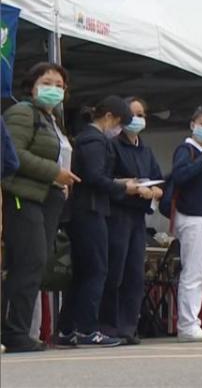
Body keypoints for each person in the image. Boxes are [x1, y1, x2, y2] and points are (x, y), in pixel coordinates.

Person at [1, 63, 78, 353]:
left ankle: (22, 329)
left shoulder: (52, 120)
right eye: (47, 82)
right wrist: (53, 173)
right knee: (28, 262)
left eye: (60, 85)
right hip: (24, 195)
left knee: (35, 264)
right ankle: (15, 331)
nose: (54, 89)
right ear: (31, 86)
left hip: (48, 199)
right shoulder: (23, 113)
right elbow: (12, 154)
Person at [57, 96, 135, 348]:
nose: (119, 130)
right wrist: (123, 187)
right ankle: (87, 328)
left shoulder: (89, 138)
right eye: (121, 123)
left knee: (82, 272)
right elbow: (94, 177)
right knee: (96, 270)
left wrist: (120, 184)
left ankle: (68, 328)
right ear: (110, 117)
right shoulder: (94, 139)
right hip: (89, 210)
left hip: (85, 210)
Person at [101, 97, 164, 345]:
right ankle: (108, 325)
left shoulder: (145, 149)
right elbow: (106, 179)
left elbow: (158, 179)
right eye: (132, 114)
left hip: (139, 215)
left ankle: (128, 326)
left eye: (141, 114)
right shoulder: (111, 145)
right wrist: (132, 187)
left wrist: (156, 191)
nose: (137, 119)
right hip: (117, 213)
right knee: (115, 269)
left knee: (135, 272)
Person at [166, 106, 202, 342]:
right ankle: (188, 323)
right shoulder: (187, 150)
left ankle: (193, 321)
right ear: (192, 124)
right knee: (194, 270)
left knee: (201, 270)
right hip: (191, 215)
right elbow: (178, 176)